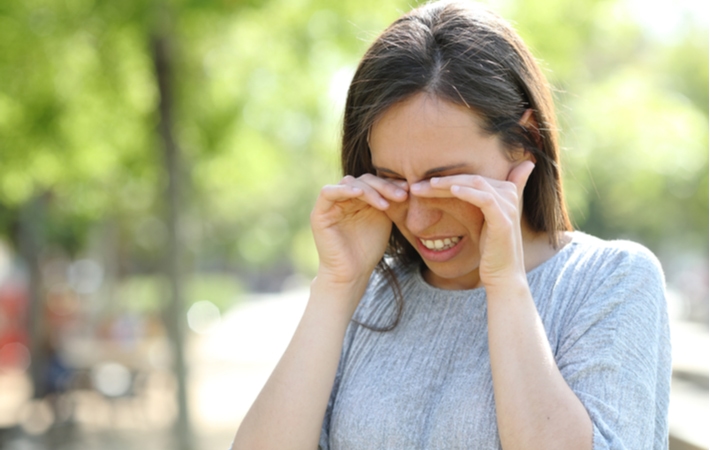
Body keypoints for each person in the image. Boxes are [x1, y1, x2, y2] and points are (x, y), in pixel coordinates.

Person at [231, 1, 671, 449]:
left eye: (443, 182)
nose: (419, 220)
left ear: (526, 143)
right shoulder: (366, 300)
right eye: (392, 181)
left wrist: (505, 285)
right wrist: (337, 285)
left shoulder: (612, 281)